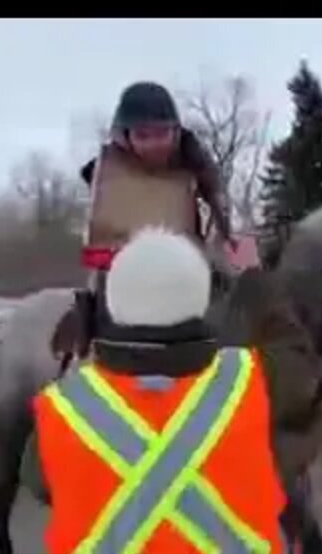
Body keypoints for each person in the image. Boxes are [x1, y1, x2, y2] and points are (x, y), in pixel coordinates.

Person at [23, 226, 287, 554]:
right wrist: (252, 276)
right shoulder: (253, 380)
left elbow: (40, 483)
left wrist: (80, 360)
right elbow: (296, 352)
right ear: (202, 299)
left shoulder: (62, 408)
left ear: (113, 305)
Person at [71, 81, 235, 352]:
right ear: (126, 136)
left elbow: (226, 223)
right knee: (101, 314)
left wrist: (236, 258)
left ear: (175, 132)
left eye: (161, 134)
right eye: (143, 136)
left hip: (185, 270)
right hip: (121, 273)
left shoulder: (195, 168)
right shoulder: (108, 173)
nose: (153, 144)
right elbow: (100, 235)